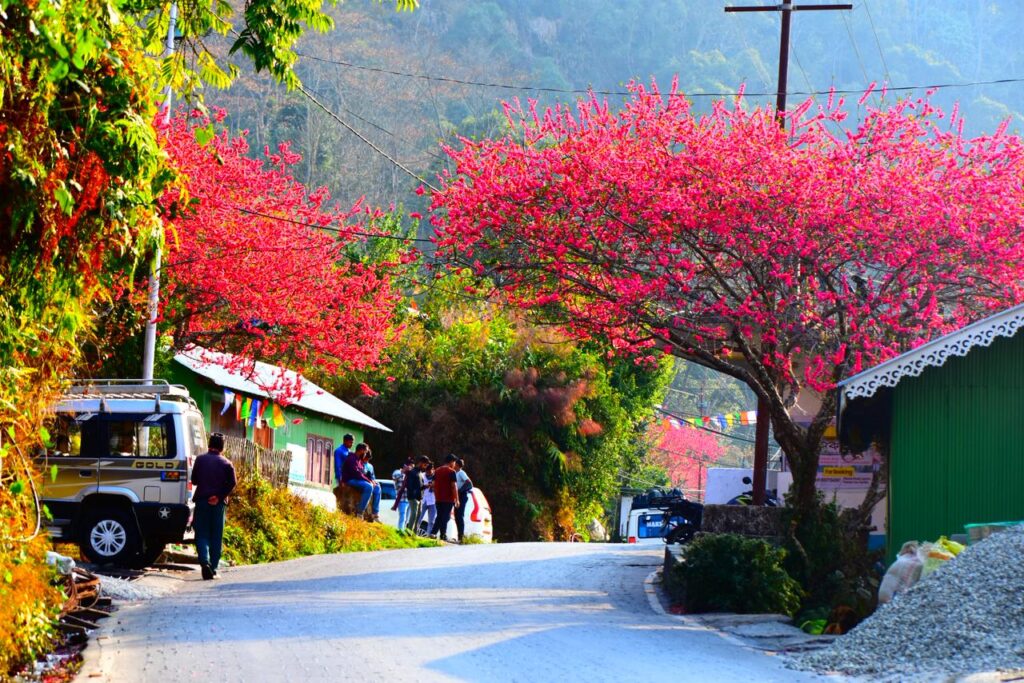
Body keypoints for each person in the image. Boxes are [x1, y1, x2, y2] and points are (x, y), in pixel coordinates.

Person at [190, 432, 237, 580]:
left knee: (202, 533)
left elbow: (195, 480)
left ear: (209, 445)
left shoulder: (200, 460)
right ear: (222, 447)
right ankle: (214, 568)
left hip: (202, 502)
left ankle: (205, 563)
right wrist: (219, 496)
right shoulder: (227, 464)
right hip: (218, 505)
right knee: (216, 536)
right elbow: (233, 483)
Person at [342, 442, 380, 521]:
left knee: (377, 487)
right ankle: (360, 512)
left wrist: (372, 480)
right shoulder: (352, 458)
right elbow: (357, 474)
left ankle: (375, 514)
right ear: (361, 450)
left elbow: (363, 473)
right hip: (350, 479)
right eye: (365, 451)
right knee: (369, 486)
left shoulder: (359, 459)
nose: (366, 454)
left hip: (358, 479)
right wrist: (369, 481)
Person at [431, 454, 459, 542]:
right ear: (451, 462)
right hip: (448, 498)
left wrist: (436, 495)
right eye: (454, 462)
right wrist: (457, 499)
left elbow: (433, 484)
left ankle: (439, 534)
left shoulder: (437, 470)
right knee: (445, 517)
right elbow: (453, 486)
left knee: (440, 516)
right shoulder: (452, 472)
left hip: (438, 498)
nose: (454, 464)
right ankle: (438, 533)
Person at [453, 457, 474, 543]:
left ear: (457, 465)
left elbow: (469, 483)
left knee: (459, 516)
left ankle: (461, 537)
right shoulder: (455, 473)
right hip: (458, 496)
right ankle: (459, 536)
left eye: (455, 464)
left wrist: (460, 491)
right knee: (457, 516)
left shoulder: (461, 473)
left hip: (462, 496)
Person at [391, 459, 412, 530]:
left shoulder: (410, 475)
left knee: (407, 518)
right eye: (409, 466)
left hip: (409, 499)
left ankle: (404, 530)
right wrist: (404, 471)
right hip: (402, 499)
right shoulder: (397, 472)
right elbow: (394, 477)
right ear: (405, 466)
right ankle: (400, 530)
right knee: (402, 516)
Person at [417, 462, 436, 535]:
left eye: (429, 470)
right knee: (419, 518)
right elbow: (419, 487)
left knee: (431, 521)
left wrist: (433, 487)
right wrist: (426, 486)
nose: (428, 472)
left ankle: (429, 535)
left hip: (433, 501)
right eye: (427, 470)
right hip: (423, 500)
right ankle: (415, 532)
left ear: (433, 469)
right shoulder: (422, 475)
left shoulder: (436, 476)